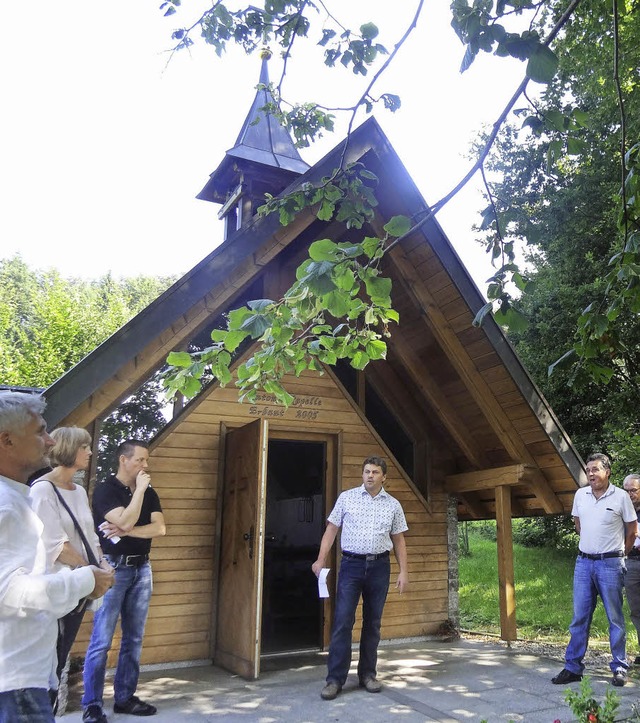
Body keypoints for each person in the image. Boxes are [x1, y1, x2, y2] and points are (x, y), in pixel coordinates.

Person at [0, 392, 113, 723]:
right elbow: (8, 591)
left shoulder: (14, 498)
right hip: (15, 679)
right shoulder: (9, 505)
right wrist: (85, 579)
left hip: (24, 671)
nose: (50, 441)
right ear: (6, 440)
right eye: (40, 432)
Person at [311, 455, 409, 701]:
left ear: (383, 476)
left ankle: (367, 674)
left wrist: (404, 571)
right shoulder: (347, 498)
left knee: (373, 623)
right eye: (366, 471)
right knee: (343, 621)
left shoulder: (393, 505)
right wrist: (320, 559)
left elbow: (399, 540)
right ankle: (335, 679)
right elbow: (331, 529)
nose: (370, 476)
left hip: (379, 567)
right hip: (351, 566)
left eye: (375, 472)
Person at [82, 439, 166, 723]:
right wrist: (139, 492)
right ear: (123, 460)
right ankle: (92, 705)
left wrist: (127, 530)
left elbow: (160, 528)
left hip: (143, 569)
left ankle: (124, 698)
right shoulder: (107, 491)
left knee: (134, 637)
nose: (146, 465)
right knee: (102, 640)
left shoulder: (150, 492)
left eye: (146, 460)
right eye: (140, 460)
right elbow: (127, 520)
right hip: (114, 569)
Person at [30, 426, 109, 715]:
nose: (89, 452)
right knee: (47, 662)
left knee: (60, 659)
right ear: (67, 449)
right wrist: (94, 572)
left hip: (81, 586)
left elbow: (89, 536)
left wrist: (102, 565)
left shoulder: (76, 490)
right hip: (58, 587)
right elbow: (56, 546)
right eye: (84, 446)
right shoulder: (42, 490)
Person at [552, 453, 637, 687]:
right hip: (583, 564)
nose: (590, 473)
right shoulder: (580, 495)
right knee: (579, 617)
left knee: (615, 618)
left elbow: (632, 530)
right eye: (588, 470)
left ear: (607, 472)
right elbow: (579, 525)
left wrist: (622, 553)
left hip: (611, 564)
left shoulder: (621, 497)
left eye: (595, 469)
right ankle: (573, 668)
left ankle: (619, 667)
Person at [623, 473, 640, 664]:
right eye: (626, 491)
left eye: (633, 490)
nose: (629, 495)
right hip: (631, 562)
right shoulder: (623, 511)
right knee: (636, 610)